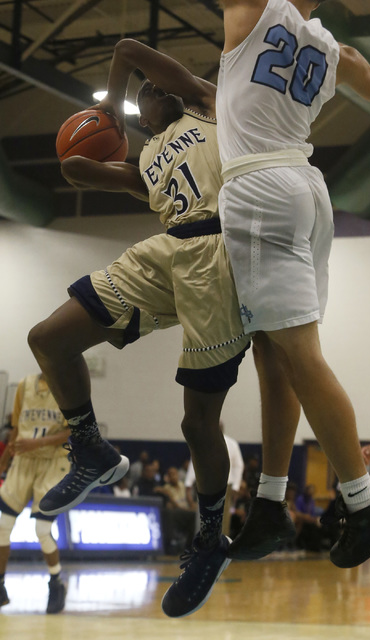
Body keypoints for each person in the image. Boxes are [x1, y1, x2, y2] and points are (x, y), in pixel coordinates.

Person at [27, 38, 251, 618]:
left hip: (218, 253)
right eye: (145, 94)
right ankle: (90, 448)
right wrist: (100, 134)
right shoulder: (145, 160)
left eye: (158, 87)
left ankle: (210, 536)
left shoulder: (207, 105)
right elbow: (76, 169)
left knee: (197, 420)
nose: (152, 90)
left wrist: (110, 107)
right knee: (48, 337)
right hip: (166, 251)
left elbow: (128, 49)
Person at [217, 0, 370, 568]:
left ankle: (364, 504)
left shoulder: (254, 10)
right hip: (305, 190)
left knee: (300, 355)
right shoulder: (334, 50)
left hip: (259, 190)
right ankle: (269, 504)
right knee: (273, 351)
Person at [0, 373, 70, 613]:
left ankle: (56, 582)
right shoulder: (24, 385)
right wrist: (4, 459)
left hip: (53, 460)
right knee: (3, 526)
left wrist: (38, 443)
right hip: (23, 459)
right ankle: (0, 586)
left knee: (42, 529)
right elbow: (16, 427)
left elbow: (73, 431)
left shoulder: (68, 385)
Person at [185, 421, 244, 535]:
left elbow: (238, 465)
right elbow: (195, 463)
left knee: (224, 517)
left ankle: (221, 545)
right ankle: (202, 544)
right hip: (205, 484)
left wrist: (236, 486)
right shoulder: (202, 443)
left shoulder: (232, 444)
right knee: (203, 516)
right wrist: (188, 484)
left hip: (226, 486)